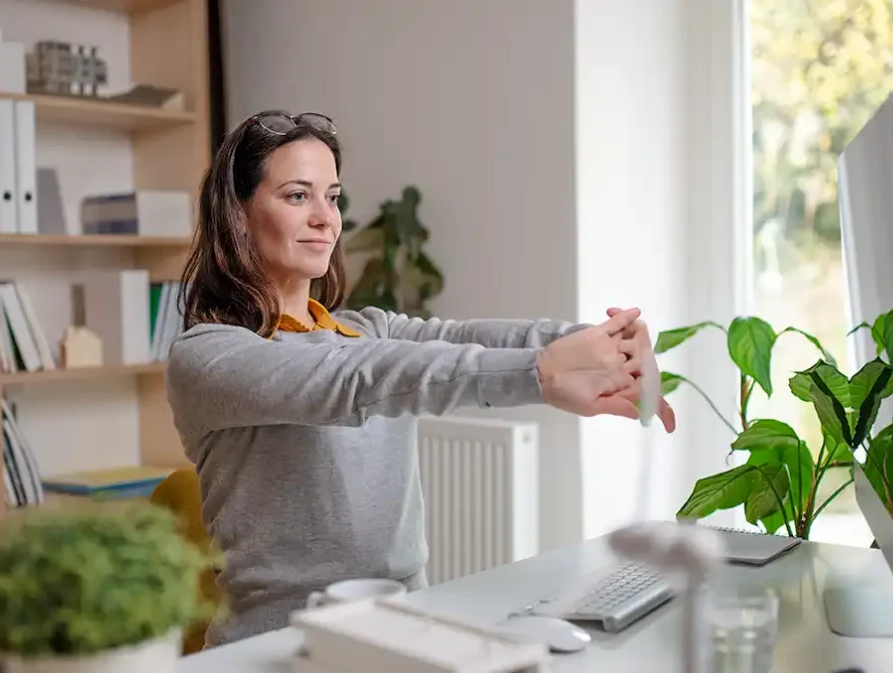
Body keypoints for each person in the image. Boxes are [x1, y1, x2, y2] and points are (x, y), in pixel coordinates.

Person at [165, 109, 677, 648]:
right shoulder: (209, 356)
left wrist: (600, 340)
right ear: (238, 217)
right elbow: (356, 380)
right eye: (297, 196)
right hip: (279, 644)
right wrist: (541, 374)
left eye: (332, 197)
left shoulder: (368, 328)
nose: (325, 218)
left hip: (405, 625)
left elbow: (466, 338)